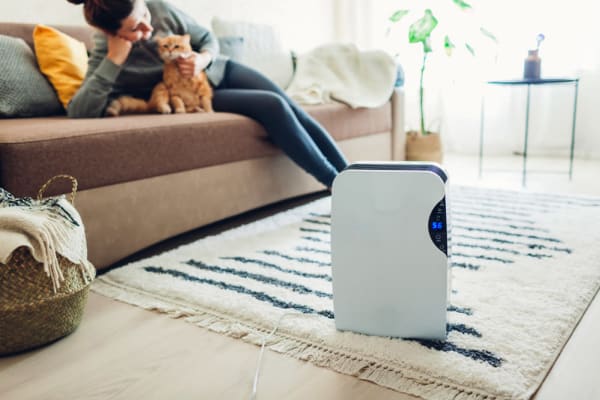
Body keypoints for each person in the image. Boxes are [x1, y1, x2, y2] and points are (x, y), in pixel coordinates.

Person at [66, 0, 348, 188]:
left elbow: (206, 38)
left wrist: (202, 59)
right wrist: (114, 59)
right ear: (112, 33)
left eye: (145, 16)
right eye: (135, 29)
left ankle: (353, 179)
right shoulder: (107, 50)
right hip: (198, 97)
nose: (148, 28)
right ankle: (336, 186)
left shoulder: (159, 7)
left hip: (220, 71)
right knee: (273, 106)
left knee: (294, 107)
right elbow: (79, 111)